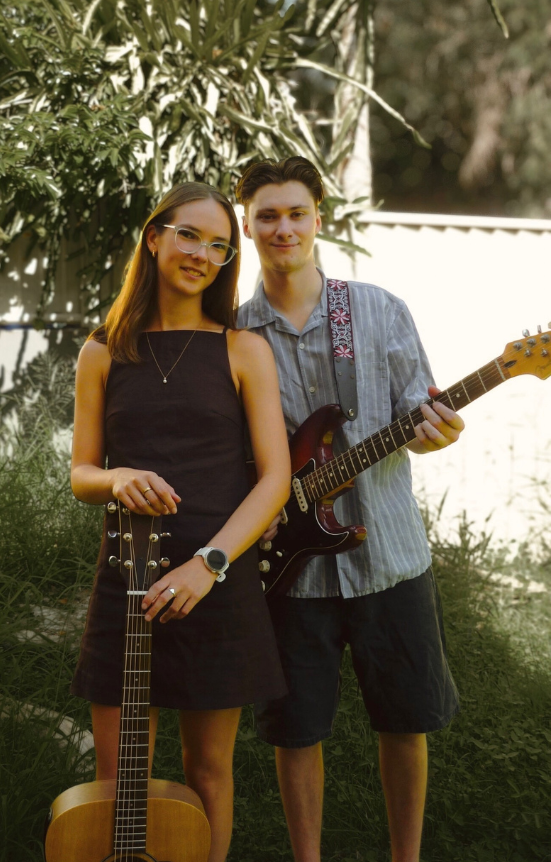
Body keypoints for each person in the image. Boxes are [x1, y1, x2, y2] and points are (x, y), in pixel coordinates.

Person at [235, 157, 464, 862]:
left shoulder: (376, 309)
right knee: (296, 728)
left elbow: (415, 419)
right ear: (247, 225)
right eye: (268, 215)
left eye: (296, 213)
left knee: (405, 720)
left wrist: (437, 432)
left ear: (319, 220)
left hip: (388, 557)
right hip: (288, 572)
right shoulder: (233, 335)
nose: (284, 228)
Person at [70, 181, 291, 862]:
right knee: (116, 782)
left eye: (220, 246)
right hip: (125, 590)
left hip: (217, 588)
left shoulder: (243, 349)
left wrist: (210, 564)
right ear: (154, 236)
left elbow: (276, 479)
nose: (202, 253)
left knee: (208, 774)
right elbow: (81, 474)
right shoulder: (102, 350)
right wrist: (116, 477)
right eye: (189, 234)